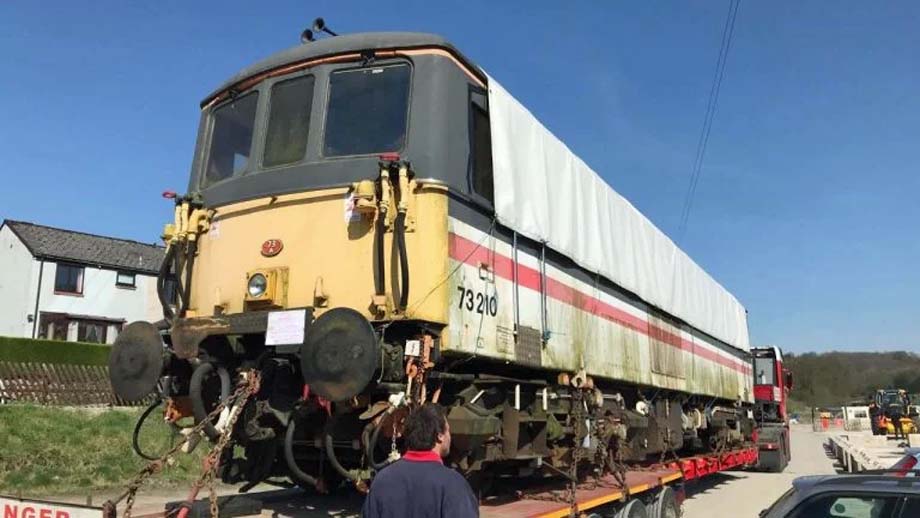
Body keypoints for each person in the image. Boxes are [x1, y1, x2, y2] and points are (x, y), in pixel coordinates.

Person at [362, 404, 478, 518]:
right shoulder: (453, 485)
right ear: (440, 436)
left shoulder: (381, 481)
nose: (450, 436)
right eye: (448, 431)